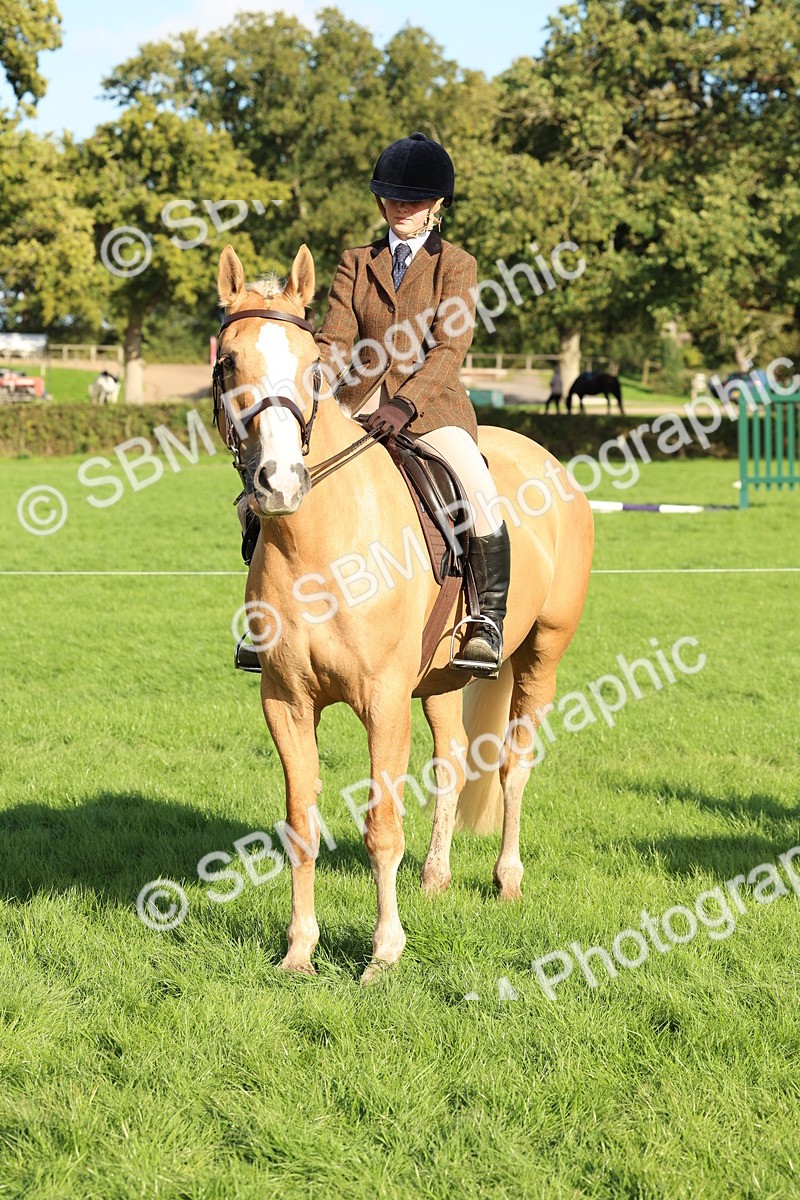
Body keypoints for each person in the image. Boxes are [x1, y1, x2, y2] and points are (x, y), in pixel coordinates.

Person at [314, 131, 511, 674]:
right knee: (281, 477)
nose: (402, 208)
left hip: (432, 408)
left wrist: (405, 405)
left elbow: (451, 347)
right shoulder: (356, 261)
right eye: (394, 198)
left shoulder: (456, 264)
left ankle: (486, 622)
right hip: (358, 403)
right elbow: (335, 338)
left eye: (416, 200)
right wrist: (313, 381)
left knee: (478, 487)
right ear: (381, 200)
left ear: (437, 205)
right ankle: (268, 623)